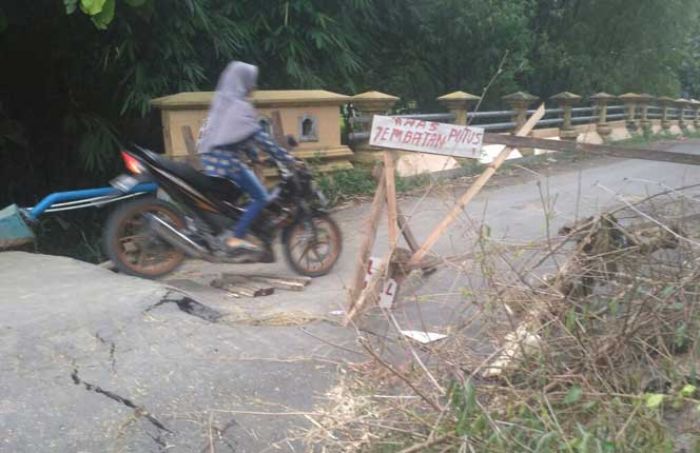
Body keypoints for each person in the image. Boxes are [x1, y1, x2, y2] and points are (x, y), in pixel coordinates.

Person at [198, 61, 295, 253]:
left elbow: (239, 135)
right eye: (251, 81)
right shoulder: (240, 107)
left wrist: (255, 158)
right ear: (243, 82)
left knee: (242, 194)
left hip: (210, 159)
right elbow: (260, 138)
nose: (254, 86)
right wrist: (287, 159)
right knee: (260, 196)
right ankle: (237, 237)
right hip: (226, 163)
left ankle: (236, 230)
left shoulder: (223, 101)